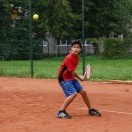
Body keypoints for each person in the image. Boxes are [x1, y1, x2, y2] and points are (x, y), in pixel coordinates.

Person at [56, 40, 101, 119]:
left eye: (78, 47)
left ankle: (90, 110)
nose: (76, 49)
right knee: (73, 94)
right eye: (74, 47)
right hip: (63, 78)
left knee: (83, 92)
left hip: (70, 77)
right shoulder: (69, 58)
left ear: (80, 49)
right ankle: (61, 112)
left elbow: (72, 72)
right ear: (71, 49)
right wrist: (80, 77)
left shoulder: (77, 58)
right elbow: (72, 72)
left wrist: (80, 77)